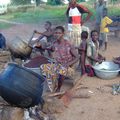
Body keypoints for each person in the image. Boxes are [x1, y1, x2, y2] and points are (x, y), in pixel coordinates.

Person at [40, 26, 79, 92]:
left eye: (59, 33)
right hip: (58, 65)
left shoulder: (69, 44)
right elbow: (49, 48)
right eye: (55, 33)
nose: (57, 34)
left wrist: (68, 64)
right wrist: (41, 47)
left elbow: (77, 57)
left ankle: (58, 89)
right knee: (43, 67)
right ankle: (53, 86)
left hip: (69, 67)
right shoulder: (54, 44)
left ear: (63, 34)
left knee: (62, 69)